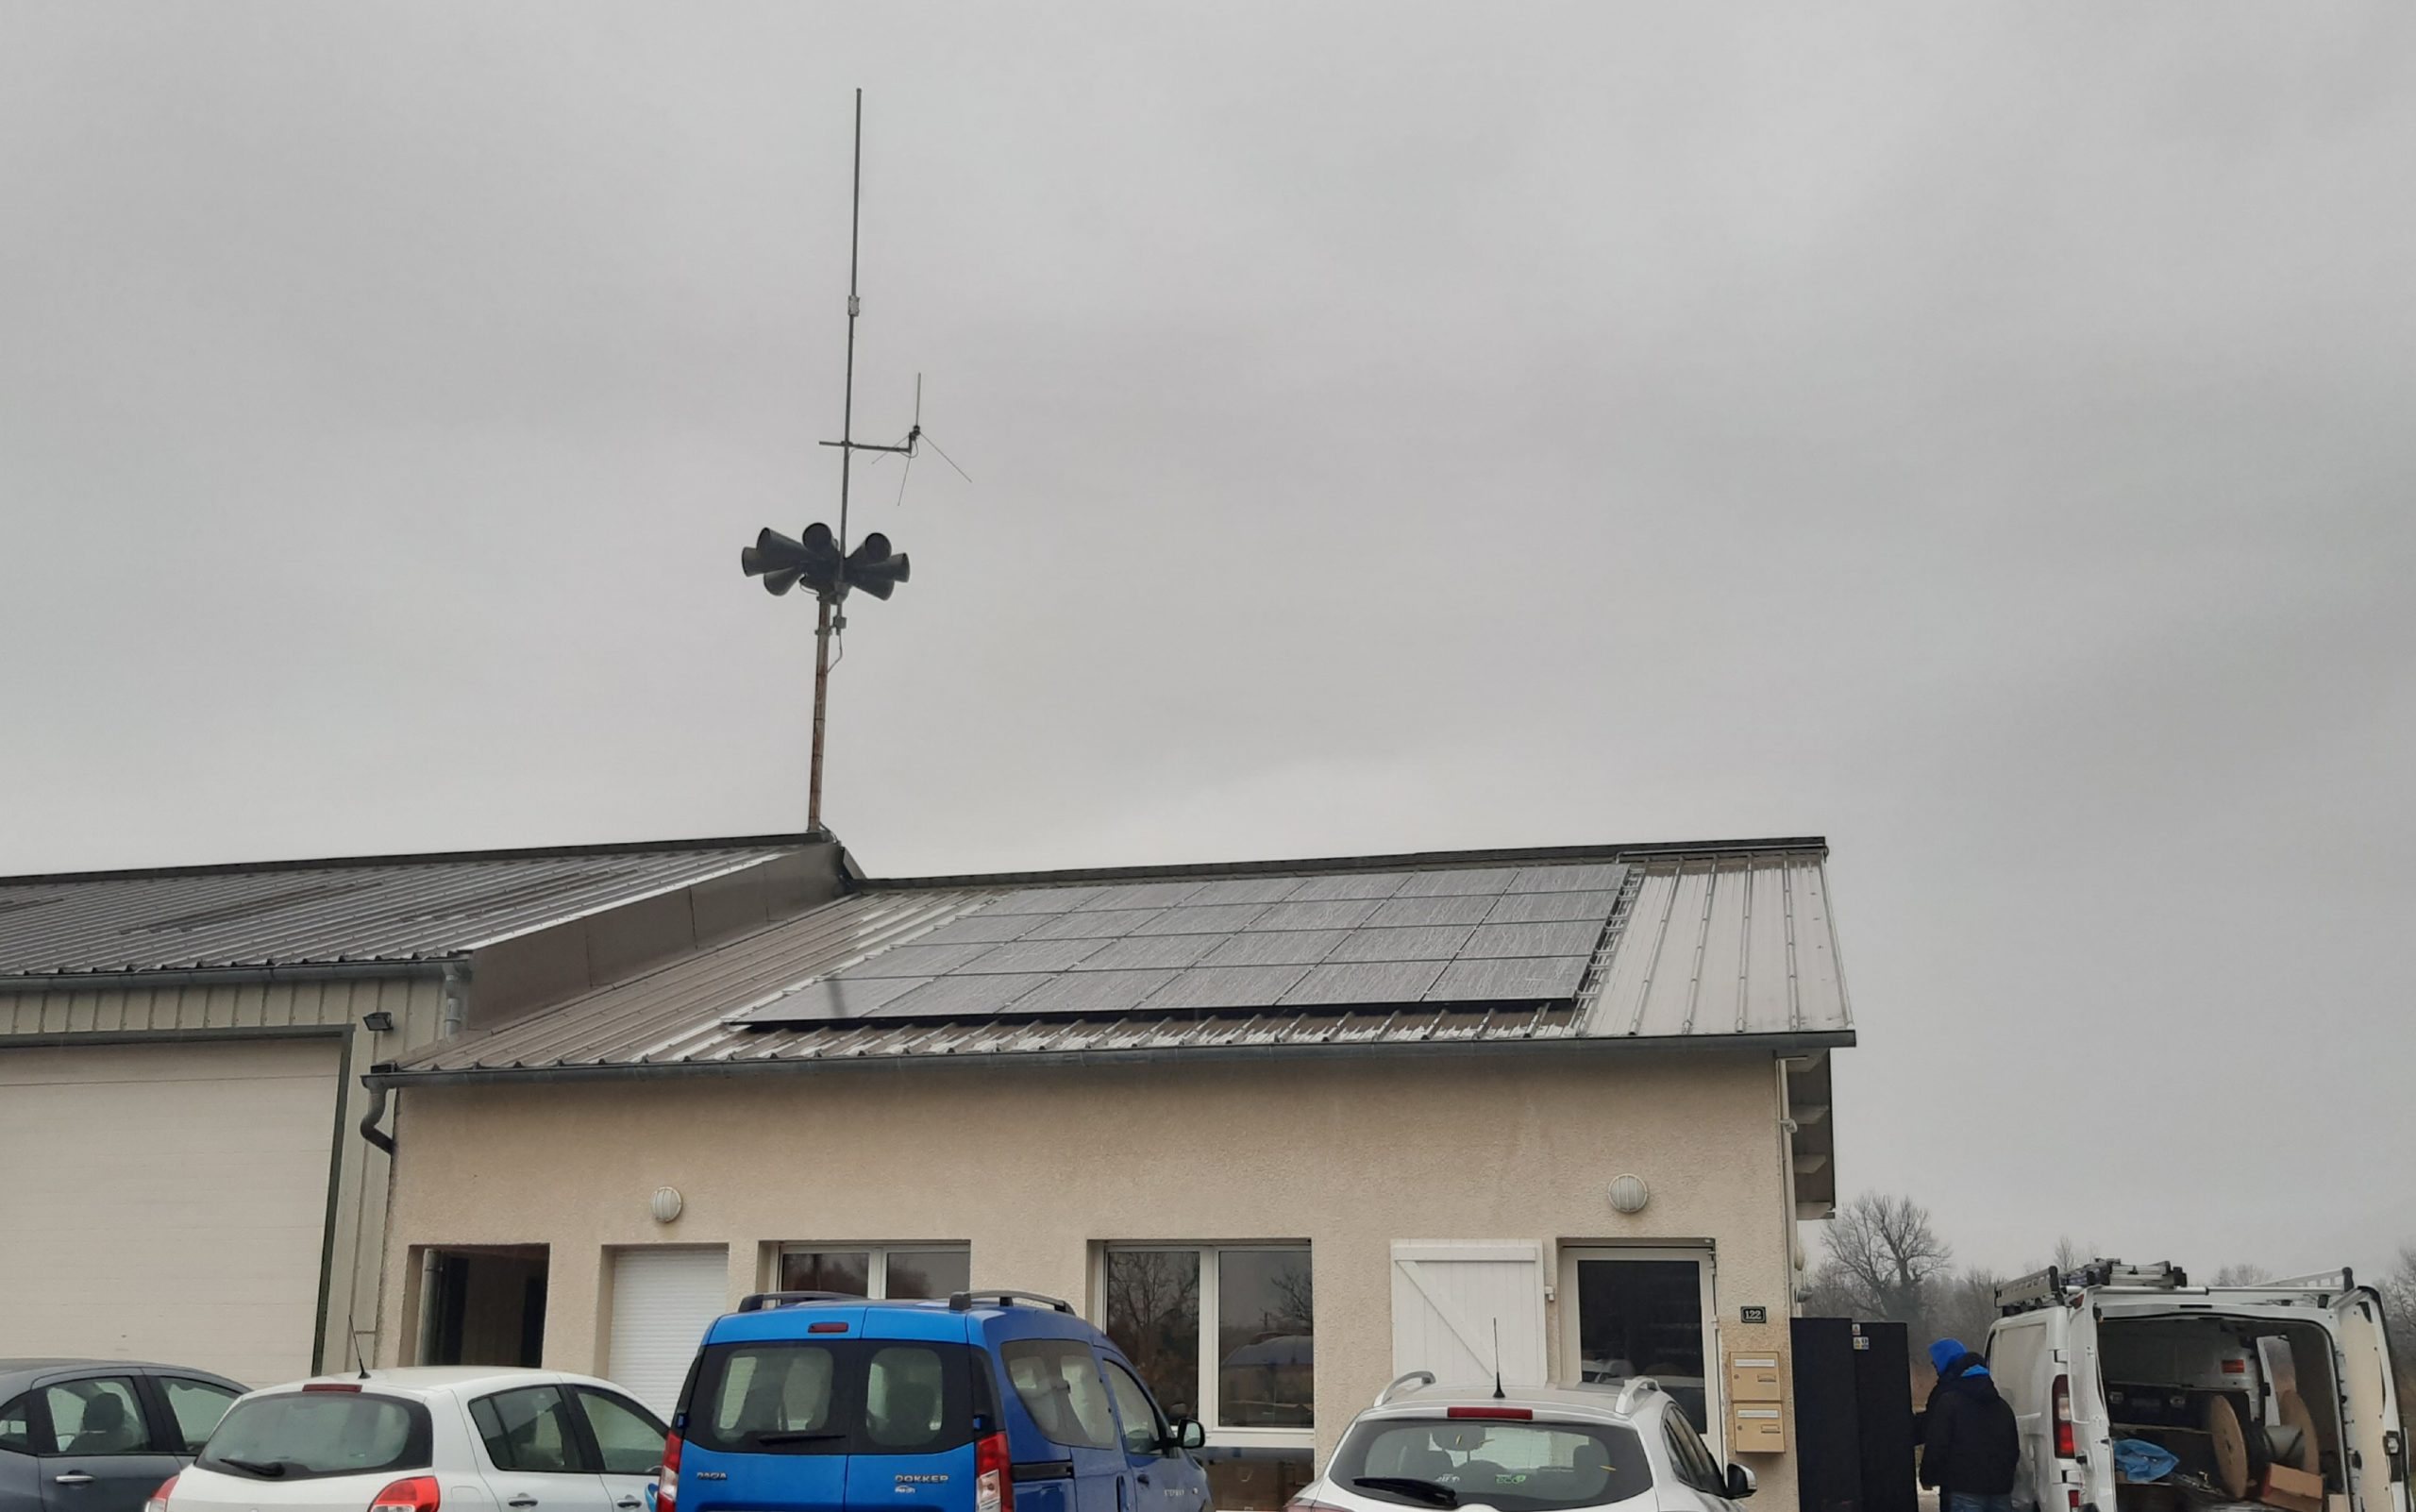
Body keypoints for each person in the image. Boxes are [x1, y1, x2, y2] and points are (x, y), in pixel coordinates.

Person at [1921, 1337, 2021, 1512]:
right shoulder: (2003, 1407)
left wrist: (1928, 1476)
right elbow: (2013, 1449)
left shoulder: (1950, 1402)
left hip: (1964, 1487)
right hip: (2000, 1490)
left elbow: (1937, 1443)